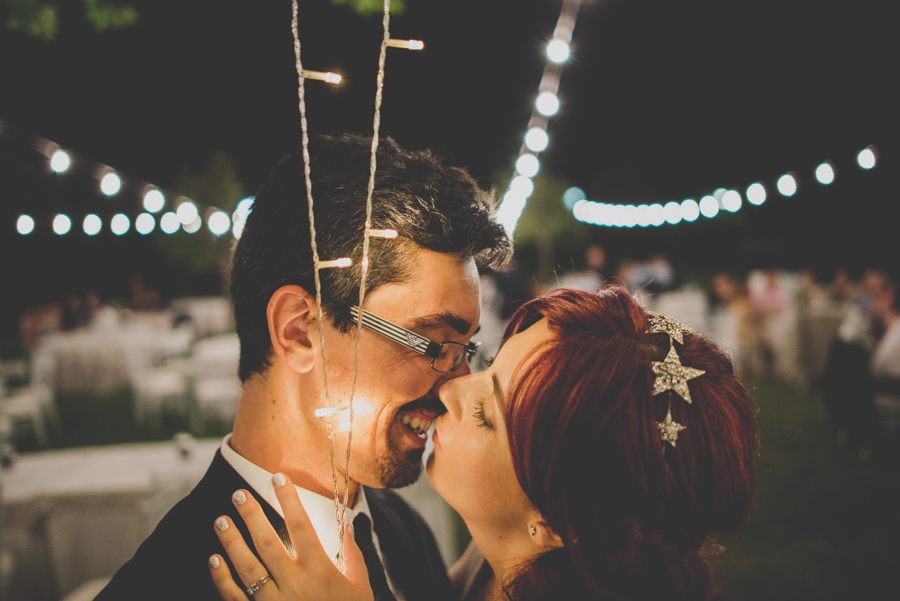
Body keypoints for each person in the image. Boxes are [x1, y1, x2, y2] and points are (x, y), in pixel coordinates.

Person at [94, 133, 510, 600]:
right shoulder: (163, 586)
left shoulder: (403, 530)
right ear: (298, 330)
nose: (459, 384)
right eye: (433, 344)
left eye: (465, 349)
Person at [208, 286, 758, 601]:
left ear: (555, 522)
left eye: (487, 413)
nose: (450, 387)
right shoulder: (494, 558)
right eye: (490, 363)